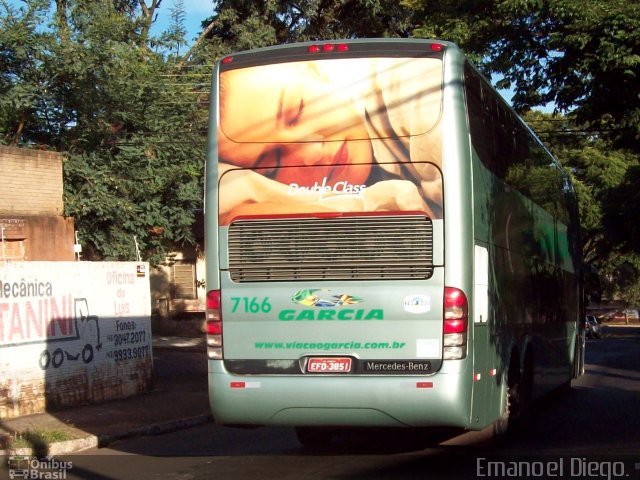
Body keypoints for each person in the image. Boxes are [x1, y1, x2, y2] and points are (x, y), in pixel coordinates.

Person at [217, 55, 443, 225]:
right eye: (273, 166)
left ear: (315, 71)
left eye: (297, 112)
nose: (313, 153)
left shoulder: (417, 89)